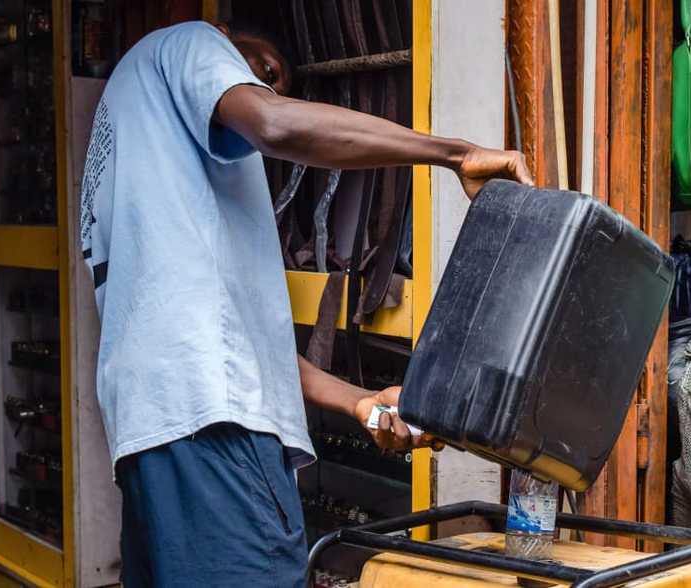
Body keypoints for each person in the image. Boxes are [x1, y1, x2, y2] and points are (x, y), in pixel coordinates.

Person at [79, 19, 531, 588]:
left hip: (154, 444)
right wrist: (456, 153)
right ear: (227, 35)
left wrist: (360, 402)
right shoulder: (191, 42)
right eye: (266, 72)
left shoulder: (133, 144)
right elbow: (272, 122)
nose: (270, 89)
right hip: (218, 438)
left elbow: (239, 353)